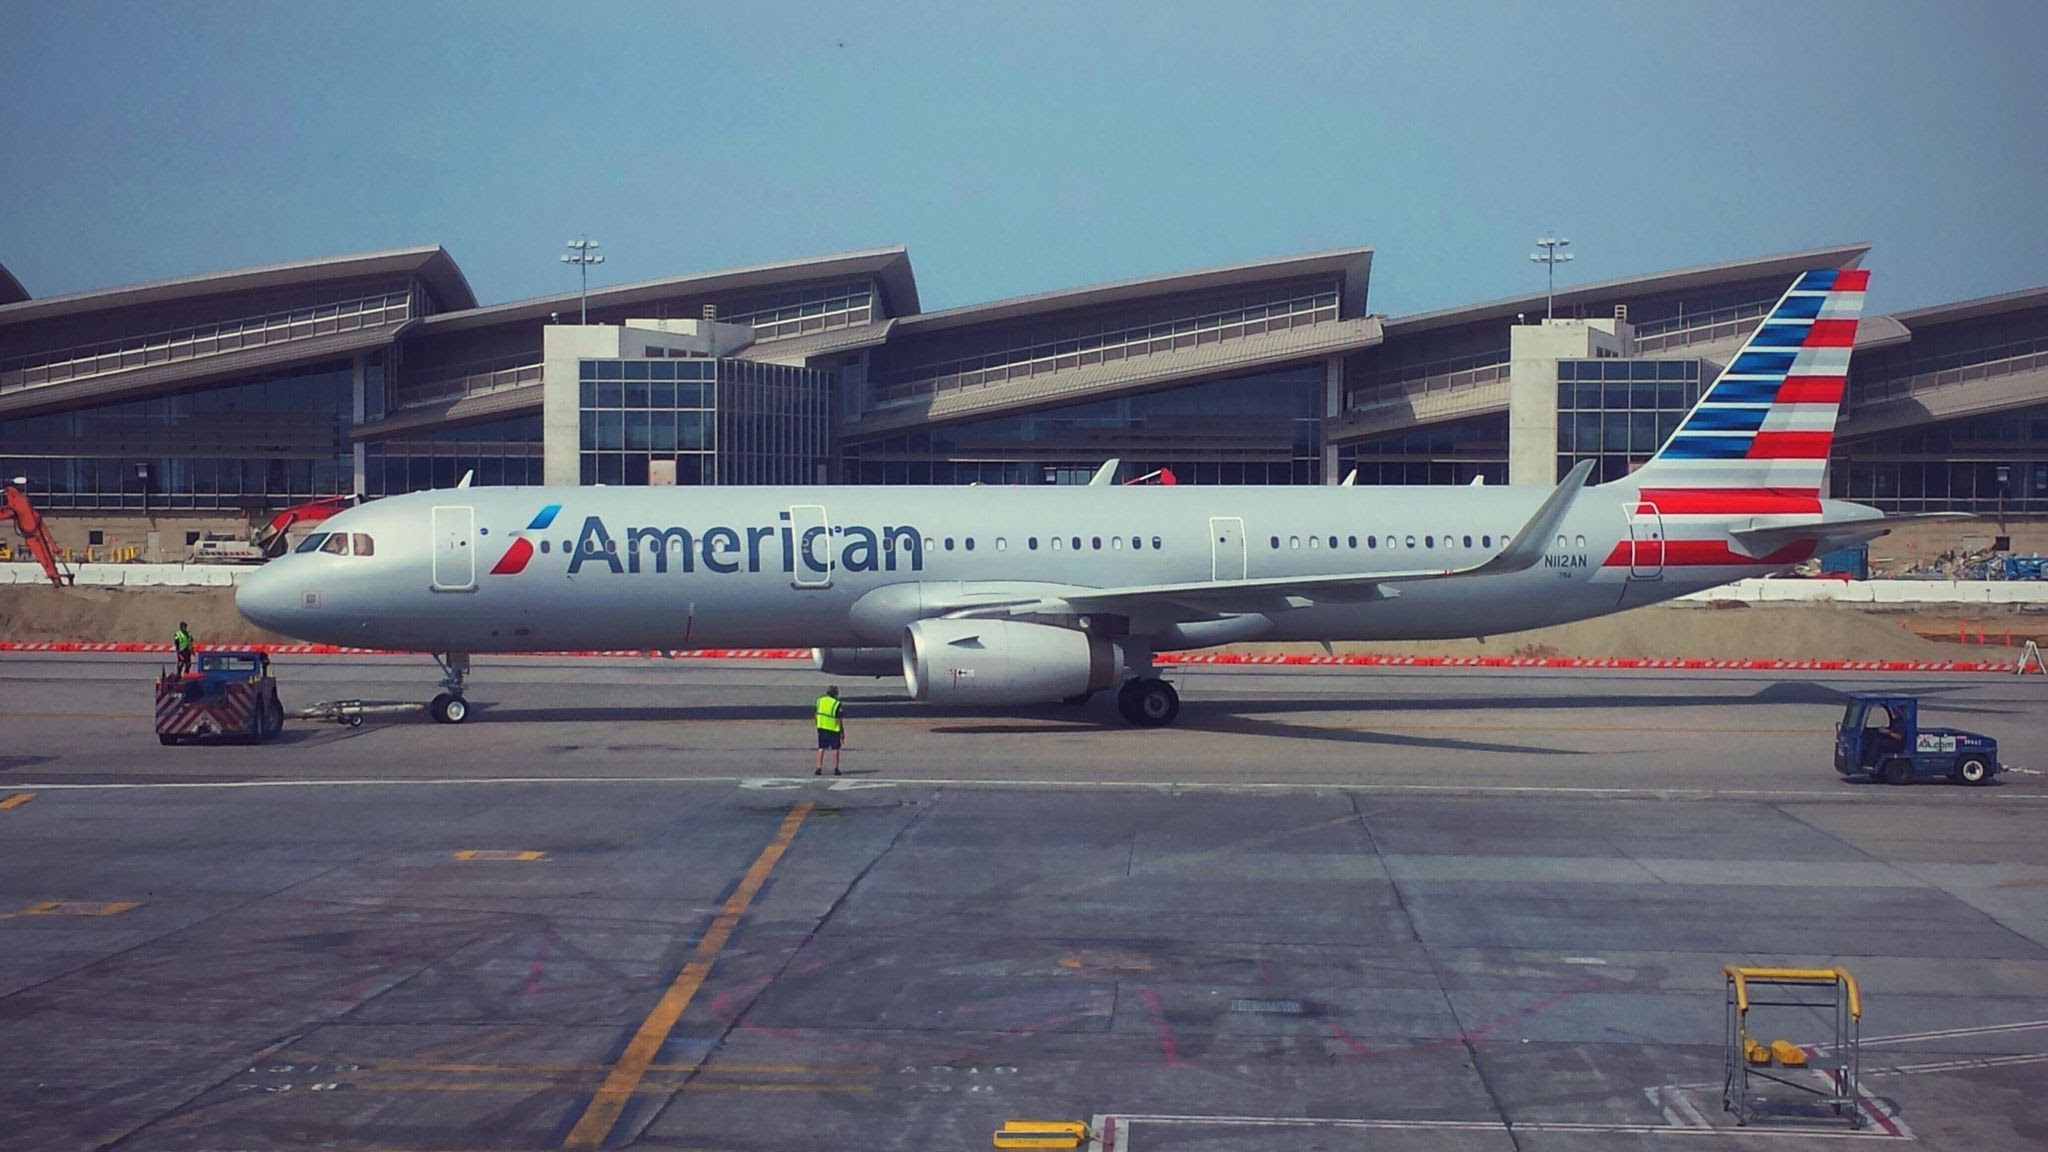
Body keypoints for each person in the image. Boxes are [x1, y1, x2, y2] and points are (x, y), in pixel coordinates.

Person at [814, 685, 844, 776]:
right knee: (835, 749)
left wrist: (817, 724)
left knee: (821, 748)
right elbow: (839, 719)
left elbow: (816, 714)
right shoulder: (836, 703)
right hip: (833, 729)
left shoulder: (820, 700)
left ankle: (818, 768)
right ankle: (836, 768)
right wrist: (842, 731)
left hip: (821, 727)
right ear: (835, 693)